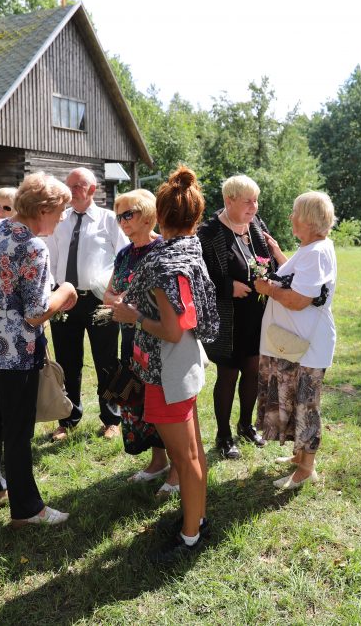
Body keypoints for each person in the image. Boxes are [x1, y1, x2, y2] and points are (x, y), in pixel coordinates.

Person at [111, 166, 219, 562]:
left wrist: (132, 316)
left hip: (167, 369)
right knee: (194, 451)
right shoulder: (191, 247)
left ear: (160, 215)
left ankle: (191, 535)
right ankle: (198, 518)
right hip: (186, 362)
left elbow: (171, 330)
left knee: (185, 457)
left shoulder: (160, 262)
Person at [0, 172, 77, 526]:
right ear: (43, 209)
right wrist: (66, 292)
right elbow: (37, 313)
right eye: (60, 211)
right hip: (12, 354)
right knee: (18, 430)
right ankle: (27, 509)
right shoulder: (32, 246)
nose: (61, 218)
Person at [254, 191, 337, 489]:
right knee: (298, 400)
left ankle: (306, 469)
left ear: (309, 219)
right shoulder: (312, 248)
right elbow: (301, 277)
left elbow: (301, 298)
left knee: (307, 405)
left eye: (295, 213)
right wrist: (278, 254)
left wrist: (268, 289)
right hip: (299, 343)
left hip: (309, 345)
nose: (291, 218)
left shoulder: (316, 252)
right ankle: (299, 458)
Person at [103, 189, 179, 495]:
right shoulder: (124, 253)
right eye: (118, 215)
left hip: (160, 337)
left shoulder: (163, 249)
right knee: (138, 401)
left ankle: (177, 468)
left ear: (147, 215)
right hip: (132, 337)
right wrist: (116, 301)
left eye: (128, 214)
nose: (122, 221)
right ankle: (157, 460)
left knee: (164, 403)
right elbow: (109, 292)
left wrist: (131, 306)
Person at [46, 168, 129, 441]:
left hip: (99, 299)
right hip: (64, 297)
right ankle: (68, 417)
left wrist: (115, 292)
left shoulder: (108, 219)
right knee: (67, 360)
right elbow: (53, 259)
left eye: (77, 186)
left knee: (106, 359)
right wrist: (53, 292)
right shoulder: (60, 219)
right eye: (68, 185)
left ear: (92, 189)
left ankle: (111, 418)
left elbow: (123, 258)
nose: (71, 191)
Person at [196, 175, 271, 460]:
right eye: (248, 201)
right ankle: (223, 435)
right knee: (228, 374)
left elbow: (268, 260)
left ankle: (246, 425)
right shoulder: (210, 232)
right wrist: (228, 287)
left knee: (253, 370)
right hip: (227, 319)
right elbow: (200, 277)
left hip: (256, 314)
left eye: (256, 200)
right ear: (229, 201)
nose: (254, 206)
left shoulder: (256, 225)